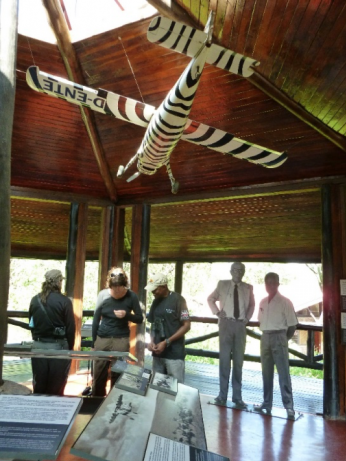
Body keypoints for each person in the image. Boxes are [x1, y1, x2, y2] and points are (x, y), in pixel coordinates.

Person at [207, 262, 255, 408]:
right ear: (230, 271)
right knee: (224, 360)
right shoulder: (222, 284)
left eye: (241, 270)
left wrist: (247, 318)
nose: (238, 272)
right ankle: (222, 396)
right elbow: (210, 299)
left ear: (244, 272)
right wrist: (217, 312)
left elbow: (252, 304)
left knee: (238, 361)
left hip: (240, 325)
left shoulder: (248, 287)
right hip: (226, 324)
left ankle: (237, 397)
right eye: (235, 270)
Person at [92, 267, 143, 396]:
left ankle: (113, 399)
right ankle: (97, 398)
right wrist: (94, 342)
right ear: (110, 285)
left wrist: (127, 315)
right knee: (99, 370)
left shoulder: (132, 296)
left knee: (118, 370)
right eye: (114, 287)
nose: (117, 290)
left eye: (120, 287)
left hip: (121, 338)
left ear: (124, 284)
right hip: (103, 337)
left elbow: (139, 318)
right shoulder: (103, 295)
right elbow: (96, 319)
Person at [254, 272, 298, 420]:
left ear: (278, 284)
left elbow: (292, 326)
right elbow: (260, 321)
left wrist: (283, 339)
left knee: (283, 373)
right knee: (266, 372)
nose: (271, 285)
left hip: (280, 336)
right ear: (265, 285)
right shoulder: (262, 302)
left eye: (274, 282)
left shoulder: (286, 302)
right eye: (268, 283)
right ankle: (267, 403)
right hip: (265, 336)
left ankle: (289, 406)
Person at [29, 269, 75, 395]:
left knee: (39, 385)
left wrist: (37, 339)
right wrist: (69, 349)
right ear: (59, 282)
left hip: (38, 347)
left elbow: (31, 324)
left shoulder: (35, 300)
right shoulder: (64, 301)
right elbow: (70, 328)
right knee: (56, 387)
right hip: (59, 347)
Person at [145, 273, 191, 383]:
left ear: (164, 286)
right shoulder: (156, 301)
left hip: (174, 355)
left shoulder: (179, 300)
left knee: (176, 389)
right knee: (156, 387)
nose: (153, 292)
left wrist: (166, 342)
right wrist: (151, 341)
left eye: (155, 289)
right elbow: (153, 323)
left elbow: (187, 325)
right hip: (157, 354)